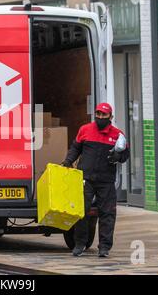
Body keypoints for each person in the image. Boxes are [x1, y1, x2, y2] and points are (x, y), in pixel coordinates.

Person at [62, 103, 129, 258]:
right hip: (85, 178)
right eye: (97, 114)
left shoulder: (118, 135)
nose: (100, 117)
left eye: (103, 115)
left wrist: (117, 156)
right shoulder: (85, 130)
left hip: (106, 181)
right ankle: (80, 244)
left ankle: (104, 248)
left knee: (107, 214)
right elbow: (75, 148)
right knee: (81, 213)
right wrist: (68, 161)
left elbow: (125, 156)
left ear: (110, 117)